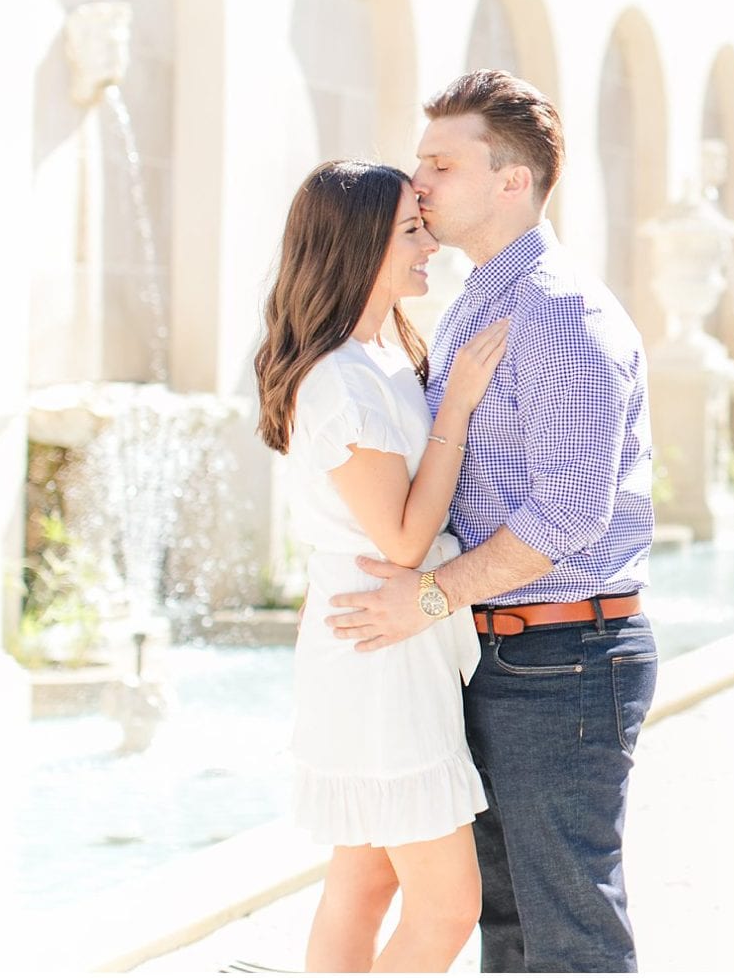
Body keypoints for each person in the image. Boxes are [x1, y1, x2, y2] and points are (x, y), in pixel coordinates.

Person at [327, 70, 658, 973]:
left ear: (512, 181)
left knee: (567, 932)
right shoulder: (483, 294)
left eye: (440, 162)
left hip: (564, 657)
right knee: (511, 929)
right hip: (504, 650)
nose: (419, 180)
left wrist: (427, 599)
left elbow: (569, 514)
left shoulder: (556, 312)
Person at [254, 160, 509, 972]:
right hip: (377, 651)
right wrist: (459, 407)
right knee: (446, 907)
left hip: (388, 639)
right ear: (358, 244)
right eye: (409, 229)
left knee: (363, 881)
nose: (428, 240)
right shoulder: (338, 381)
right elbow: (402, 539)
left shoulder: (385, 356)